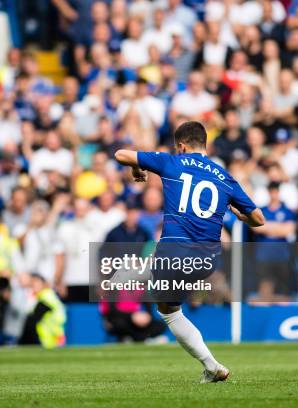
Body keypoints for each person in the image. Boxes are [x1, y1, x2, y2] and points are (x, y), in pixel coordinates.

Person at [115, 121, 264, 383]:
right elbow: (259, 219)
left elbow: (120, 154)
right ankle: (212, 367)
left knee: (132, 285)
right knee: (169, 307)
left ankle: (211, 365)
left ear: (181, 146)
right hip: (207, 261)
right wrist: (242, 217)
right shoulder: (224, 177)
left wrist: (139, 168)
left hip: (173, 252)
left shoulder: (172, 162)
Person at [19, 274, 66, 349]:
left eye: (36, 282)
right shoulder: (42, 296)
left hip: (49, 340)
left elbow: (33, 318)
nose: (34, 285)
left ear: (44, 284)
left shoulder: (47, 296)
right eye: (32, 282)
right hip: (48, 339)